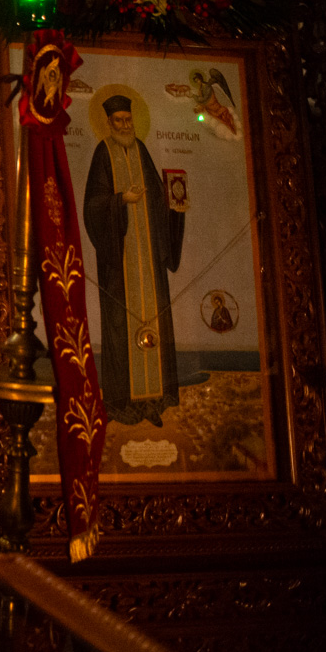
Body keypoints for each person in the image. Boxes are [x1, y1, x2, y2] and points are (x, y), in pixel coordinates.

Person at [83, 94, 185, 428]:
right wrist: (120, 200)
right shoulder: (103, 153)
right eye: (119, 121)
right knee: (119, 326)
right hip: (120, 260)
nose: (125, 126)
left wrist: (175, 205)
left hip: (148, 260)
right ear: (109, 123)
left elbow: (158, 196)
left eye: (128, 120)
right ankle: (121, 403)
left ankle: (153, 399)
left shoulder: (140, 149)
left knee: (154, 321)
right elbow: (92, 205)